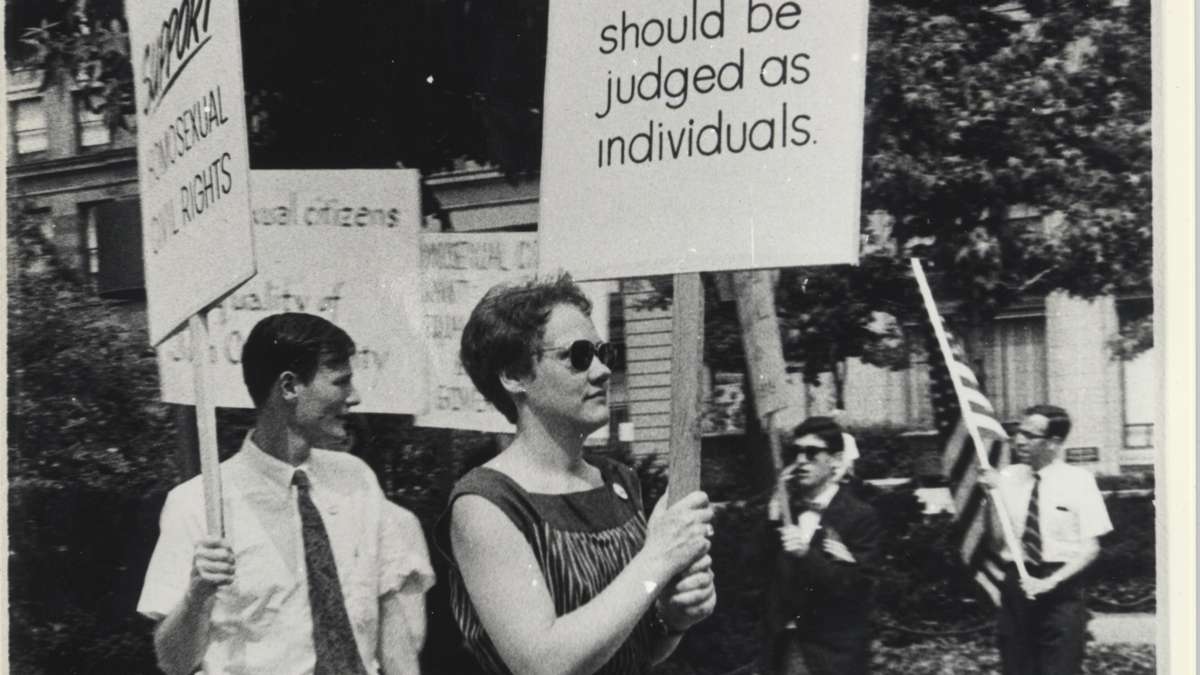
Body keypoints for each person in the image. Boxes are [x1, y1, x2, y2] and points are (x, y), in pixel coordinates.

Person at [443, 273, 717, 675]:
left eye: (604, 353)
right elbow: (544, 663)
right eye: (579, 355)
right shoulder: (485, 505)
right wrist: (659, 558)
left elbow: (636, 650)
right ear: (514, 376)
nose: (603, 370)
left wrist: (671, 619)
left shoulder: (619, 483)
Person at [138, 313, 435, 674]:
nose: (354, 397)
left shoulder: (357, 480)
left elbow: (391, 624)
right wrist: (197, 594)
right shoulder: (197, 505)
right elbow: (174, 663)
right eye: (341, 382)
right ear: (290, 386)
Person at [979, 405, 1113, 675]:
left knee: (1060, 667)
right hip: (1017, 582)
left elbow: (1090, 548)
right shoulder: (1006, 478)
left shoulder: (1079, 481)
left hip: (1061, 587)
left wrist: (1050, 581)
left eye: (1030, 435)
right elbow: (995, 542)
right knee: (1017, 667)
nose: (1019, 440)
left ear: (1054, 443)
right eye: (1018, 432)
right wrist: (993, 498)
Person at [763, 416, 882, 675]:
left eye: (812, 452)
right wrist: (772, 518)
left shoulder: (859, 516)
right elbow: (751, 575)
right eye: (796, 452)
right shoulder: (785, 512)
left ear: (836, 460)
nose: (801, 460)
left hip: (831, 658)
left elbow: (858, 591)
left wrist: (807, 555)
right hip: (782, 652)